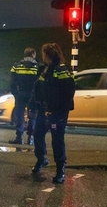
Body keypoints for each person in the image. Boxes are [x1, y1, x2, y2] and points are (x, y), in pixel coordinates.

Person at [31, 42, 76, 183]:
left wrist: (57, 109)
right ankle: (42, 159)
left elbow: (69, 92)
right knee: (37, 134)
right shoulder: (45, 69)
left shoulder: (61, 70)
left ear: (47, 55)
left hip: (57, 113)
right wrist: (32, 106)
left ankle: (60, 170)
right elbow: (37, 89)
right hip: (44, 110)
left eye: (44, 54)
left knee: (57, 140)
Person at [8, 47, 41, 145]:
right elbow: (40, 81)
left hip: (21, 93)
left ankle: (19, 137)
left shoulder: (17, 65)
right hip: (33, 94)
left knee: (20, 115)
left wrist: (15, 93)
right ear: (33, 55)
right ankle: (31, 137)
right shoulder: (38, 66)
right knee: (32, 115)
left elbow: (12, 81)